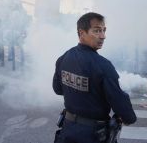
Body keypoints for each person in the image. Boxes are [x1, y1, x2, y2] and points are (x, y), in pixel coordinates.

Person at [53, 12, 136, 143]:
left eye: (104, 30)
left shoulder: (64, 58)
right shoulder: (103, 66)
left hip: (68, 131)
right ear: (82, 33)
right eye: (97, 31)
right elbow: (124, 110)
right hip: (93, 135)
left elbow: (58, 89)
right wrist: (127, 117)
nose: (103, 36)